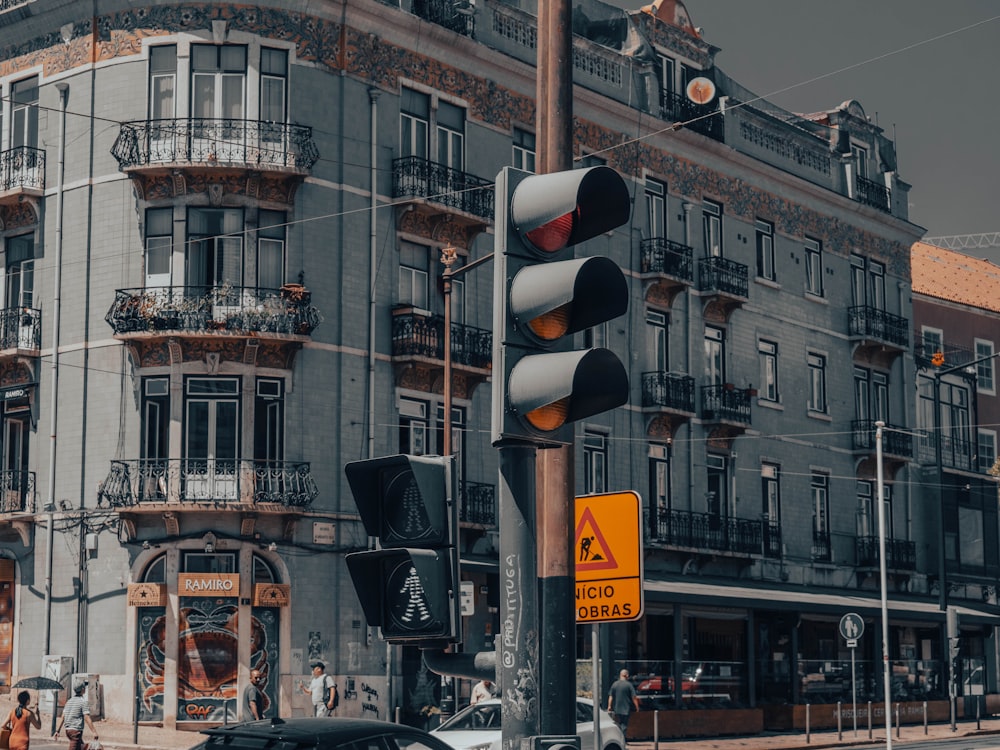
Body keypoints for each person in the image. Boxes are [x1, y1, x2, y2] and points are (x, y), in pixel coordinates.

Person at [52, 682, 99, 750]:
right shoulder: (83, 702)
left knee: (82, 747)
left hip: (68, 731)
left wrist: (57, 731)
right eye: (84, 687)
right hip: (75, 732)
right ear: (83, 689)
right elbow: (87, 717)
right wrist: (94, 732)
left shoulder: (69, 701)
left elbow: (63, 716)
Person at [607, 669, 638, 735]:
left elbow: (611, 696)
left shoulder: (615, 684)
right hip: (626, 708)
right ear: (626, 675)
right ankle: (622, 739)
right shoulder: (629, 685)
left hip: (617, 708)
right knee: (624, 724)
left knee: (620, 723)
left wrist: (609, 706)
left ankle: (619, 737)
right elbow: (634, 697)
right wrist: (637, 707)